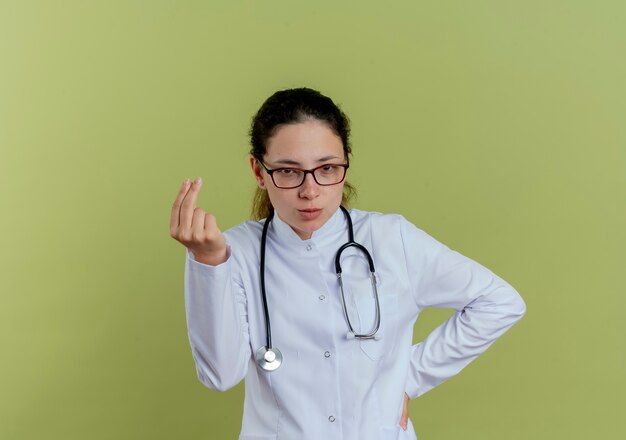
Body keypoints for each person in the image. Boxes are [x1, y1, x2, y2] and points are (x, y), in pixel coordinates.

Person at [169, 87, 526, 440]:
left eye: (326, 168)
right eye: (289, 172)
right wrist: (208, 262)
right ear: (259, 171)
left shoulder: (391, 239)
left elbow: (499, 302)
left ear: (346, 162)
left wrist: (411, 377)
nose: (310, 191)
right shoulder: (235, 251)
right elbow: (221, 375)